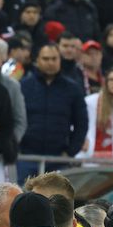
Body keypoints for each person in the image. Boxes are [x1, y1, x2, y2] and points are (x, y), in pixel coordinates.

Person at [18, 43, 88, 182]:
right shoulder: (23, 86)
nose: (50, 63)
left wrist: (69, 152)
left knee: (56, 202)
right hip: (26, 158)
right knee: (24, 200)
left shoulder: (72, 89)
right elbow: (13, 119)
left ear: (60, 60)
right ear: (37, 60)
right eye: (46, 59)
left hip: (59, 159)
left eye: (54, 59)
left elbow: (82, 124)